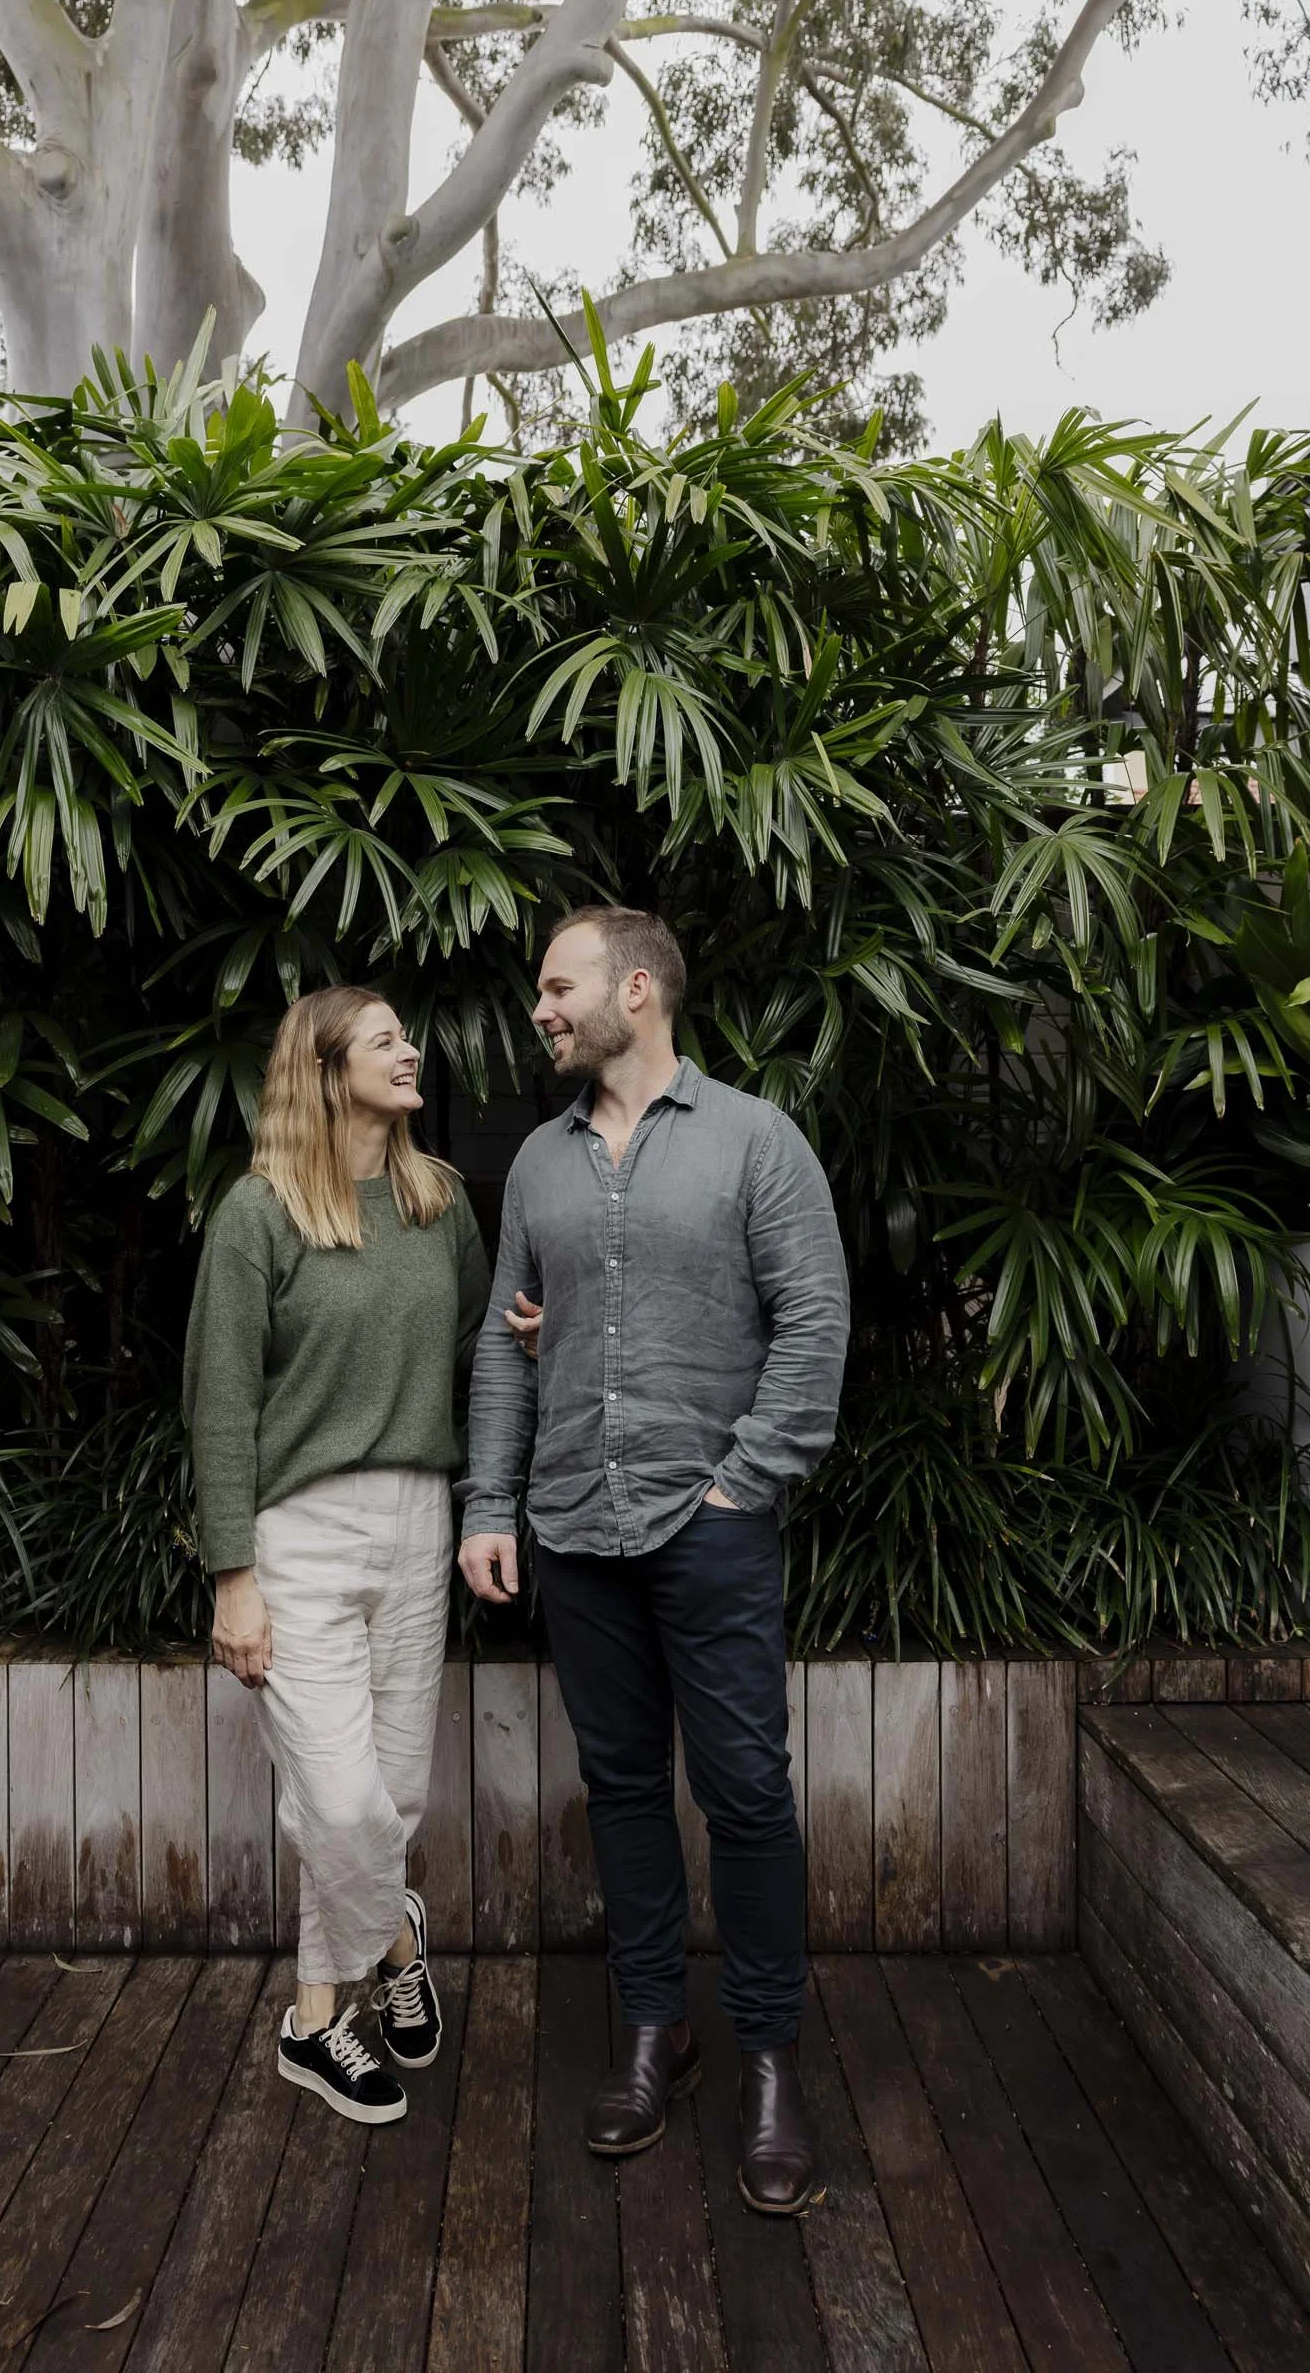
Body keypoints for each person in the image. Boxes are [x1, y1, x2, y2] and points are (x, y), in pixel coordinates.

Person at [459, 906, 849, 2213]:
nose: (540, 1010)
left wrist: (744, 1484)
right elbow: (504, 1341)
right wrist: (488, 1507)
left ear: (637, 988)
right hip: (574, 1531)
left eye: (557, 986)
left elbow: (812, 1324)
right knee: (621, 1792)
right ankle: (649, 2033)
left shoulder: (755, 1142)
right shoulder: (533, 1167)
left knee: (745, 1794)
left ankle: (769, 2059)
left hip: (711, 1529)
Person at [185, 986, 490, 2125]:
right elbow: (219, 1402)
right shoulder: (256, 1215)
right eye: (383, 1041)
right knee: (342, 1797)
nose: (411, 1051)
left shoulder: (438, 1202)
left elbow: (465, 1337)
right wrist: (233, 1579)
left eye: (408, 1035)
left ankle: (314, 2021)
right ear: (323, 1070)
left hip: (419, 1518)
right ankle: (399, 1933)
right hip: (296, 1538)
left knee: (394, 1795)